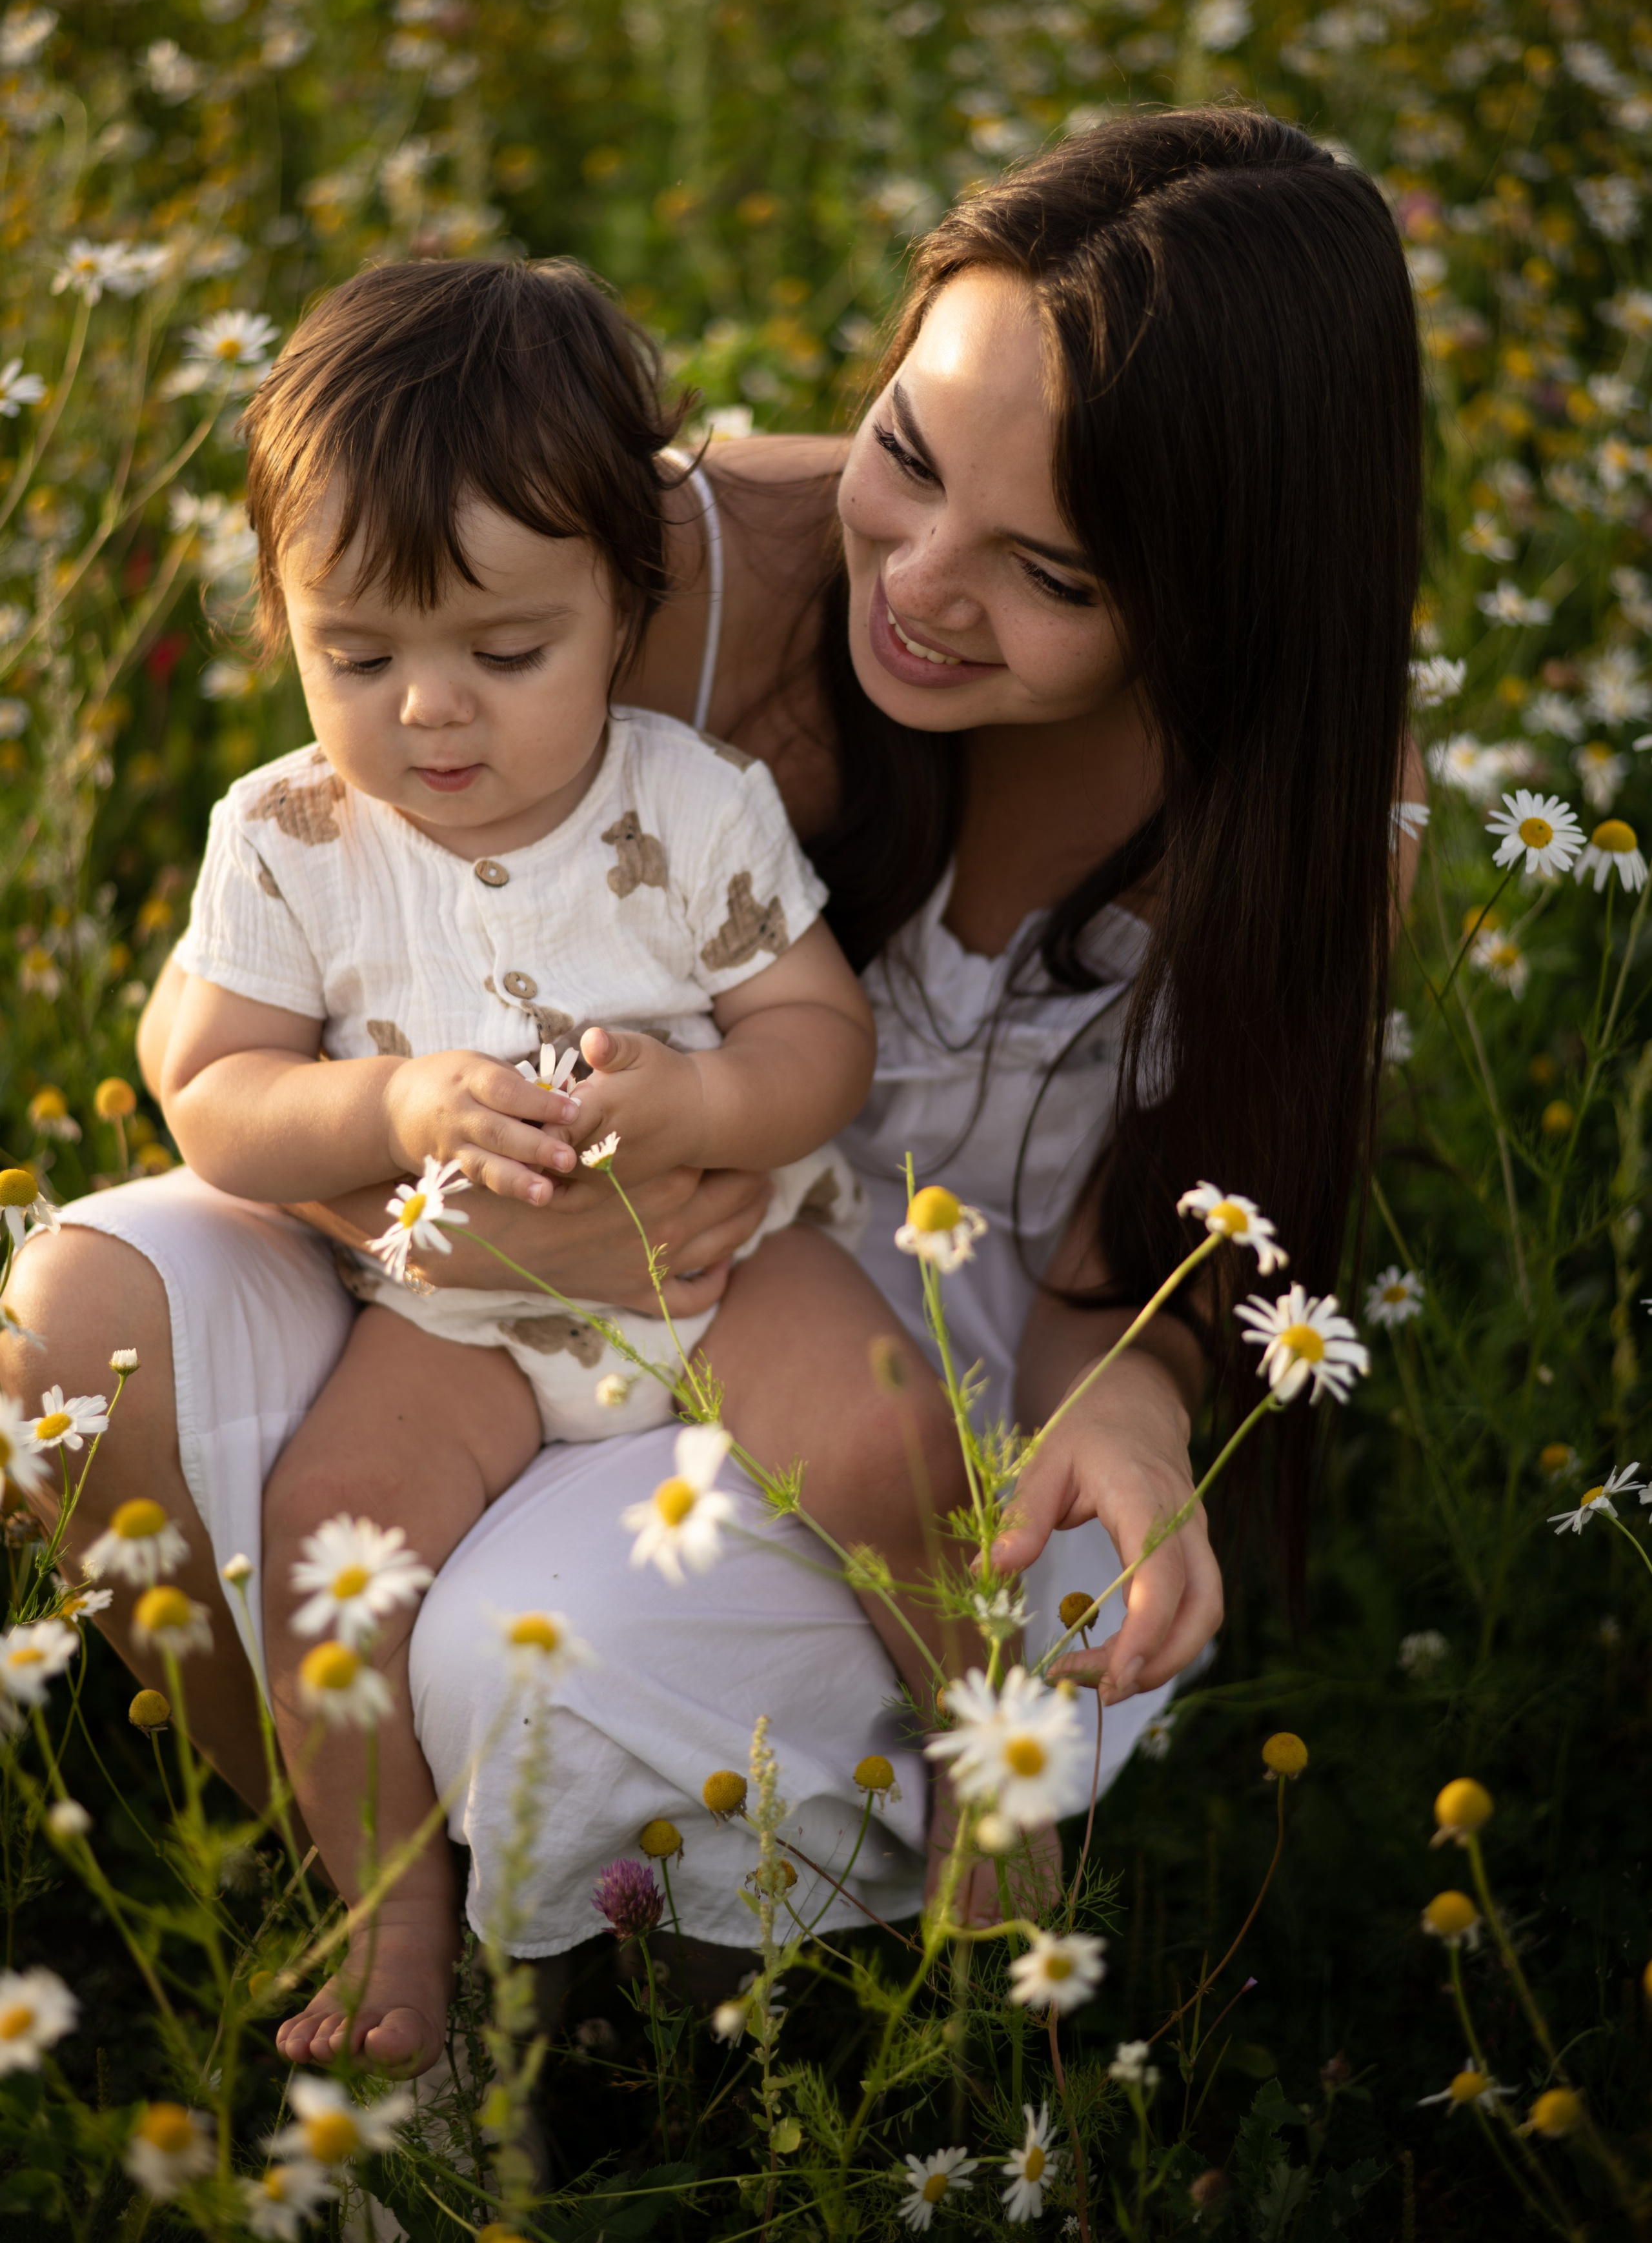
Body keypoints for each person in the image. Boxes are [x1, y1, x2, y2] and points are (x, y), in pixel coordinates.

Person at [6, 106, 1421, 2075]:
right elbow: (265, 1006)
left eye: (1049, 571)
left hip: (793, 1267)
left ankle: (900, 1891)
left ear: (1227, 592)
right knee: (108, 1345)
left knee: (598, 1616)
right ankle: (373, 1900)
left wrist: (1146, 1391)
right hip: (458, 1260)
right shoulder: (655, 559)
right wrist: (414, 1157)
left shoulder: (1294, 830)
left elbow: (1021, 1162)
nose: (919, 584)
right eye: (906, 459)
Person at [154, 256, 898, 2069]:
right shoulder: (292, 838)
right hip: (458, 1312)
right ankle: (396, 1925)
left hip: (718, 1259)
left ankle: (988, 1777)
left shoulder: (688, 802)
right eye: (359, 653)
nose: (430, 714)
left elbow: (822, 1044)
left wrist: (712, 1107)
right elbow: (212, 1090)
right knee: (338, 1556)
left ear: (621, 610)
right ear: (283, 617)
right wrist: (392, 1113)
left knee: (881, 1439)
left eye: (505, 652)